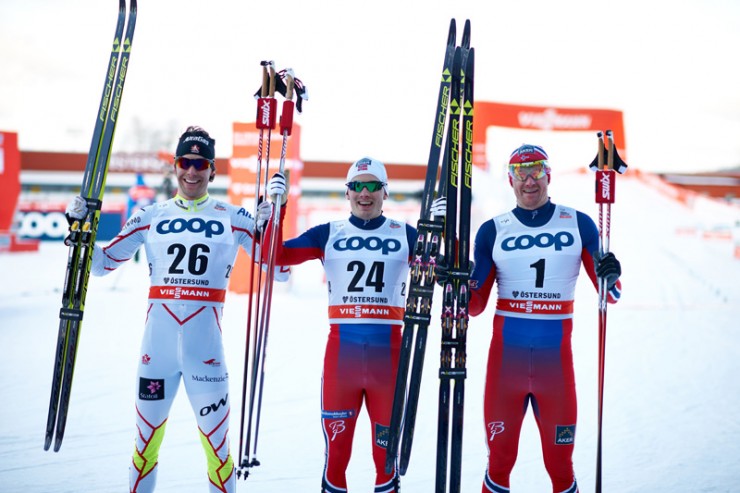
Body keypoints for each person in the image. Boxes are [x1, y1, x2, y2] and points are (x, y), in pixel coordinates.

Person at [65, 126, 283, 493]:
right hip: (157, 358)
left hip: (206, 360)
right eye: (185, 162)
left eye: (201, 164)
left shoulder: (234, 217)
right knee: (143, 449)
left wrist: (274, 218)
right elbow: (100, 265)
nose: (192, 172)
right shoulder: (150, 215)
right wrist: (78, 229)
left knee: (218, 452)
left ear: (212, 169)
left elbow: (280, 269)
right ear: (175, 166)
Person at [261, 157, 445, 493]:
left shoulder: (406, 234)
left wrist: (443, 229)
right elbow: (275, 257)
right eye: (357, 186)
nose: (365, 192)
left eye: (373, 185)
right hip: (341, 361)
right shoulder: (328, 233)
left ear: (385, 192)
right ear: (347, 193)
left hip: (389, 362)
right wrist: (277, 211)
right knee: (336, 459)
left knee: (385, 462)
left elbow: (448, 271)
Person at [468, 144, 622, 493]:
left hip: (556, 372)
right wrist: (460, 285)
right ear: (510, 180)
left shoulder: (579, 223)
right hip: (505, 370)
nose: (529, 180)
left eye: (536, 170)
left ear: (549, 175)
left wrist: (611, 273)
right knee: (499, 461)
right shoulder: (493, 230)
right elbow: (474, 306)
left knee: (560, 465)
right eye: (520, 172)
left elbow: (609, 294)